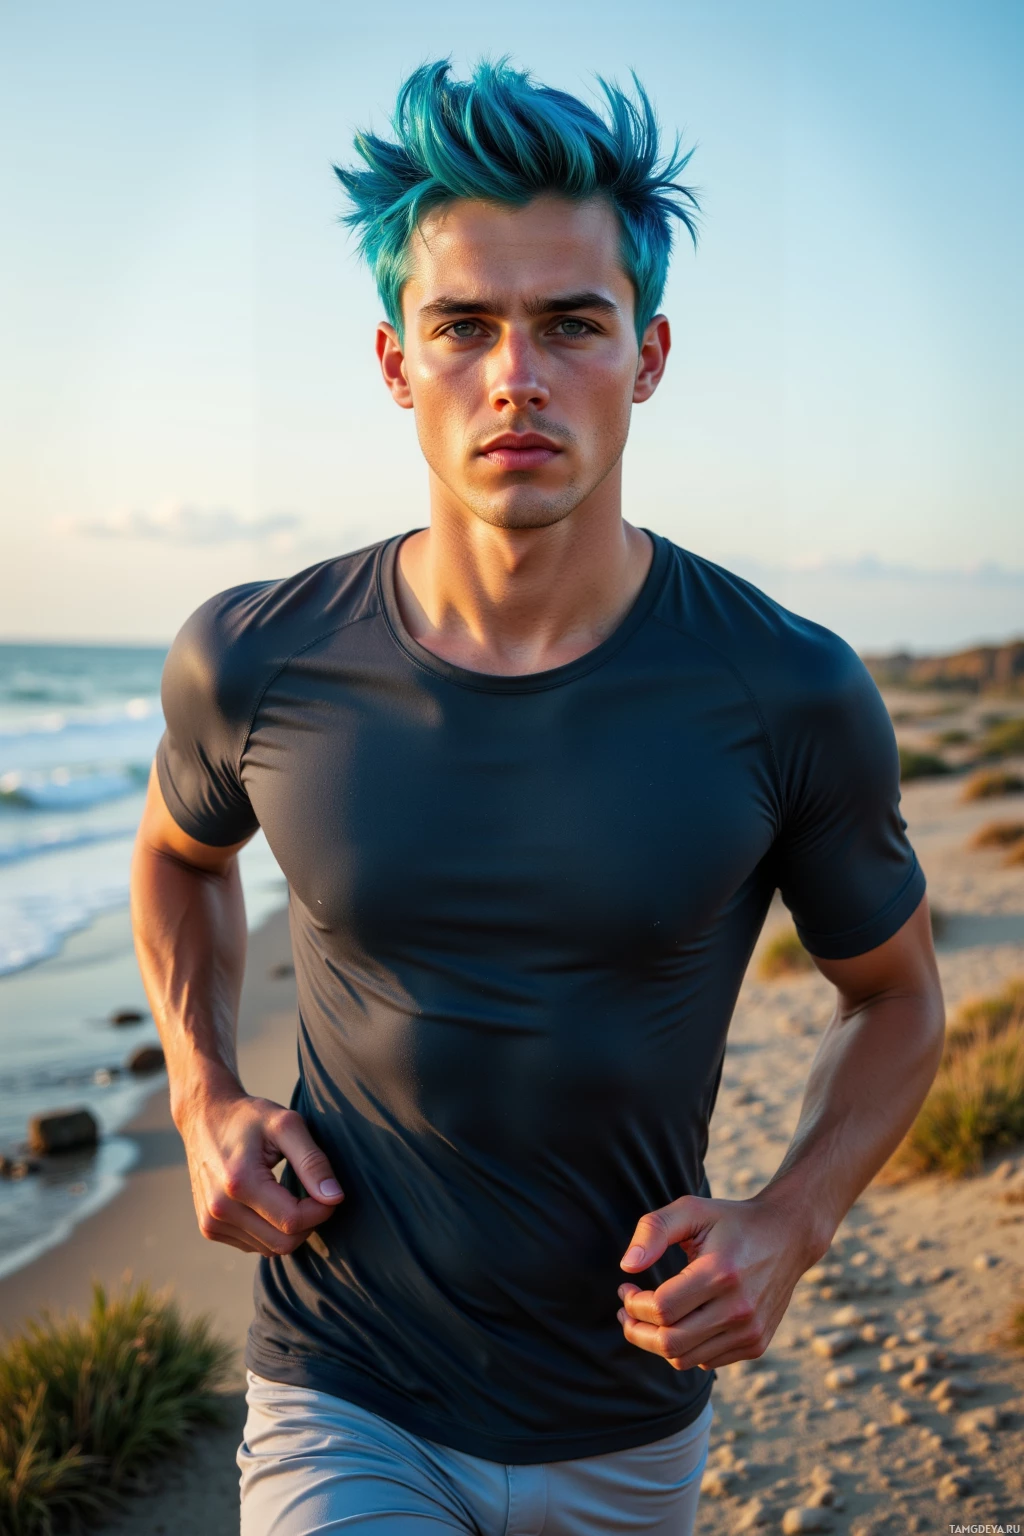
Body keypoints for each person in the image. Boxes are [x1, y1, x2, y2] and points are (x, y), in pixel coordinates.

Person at [130, 59, 946, 1536]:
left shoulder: (787, 688)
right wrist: (202, 1093)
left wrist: (789, 1222)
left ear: (648, 355)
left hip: (630, 1418)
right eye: (464, 328)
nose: (517, 376)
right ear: (395, 363)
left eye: (572, 324)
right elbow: (178, 859)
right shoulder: (256, 654)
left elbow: (898, 1000)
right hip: (346, 1382)